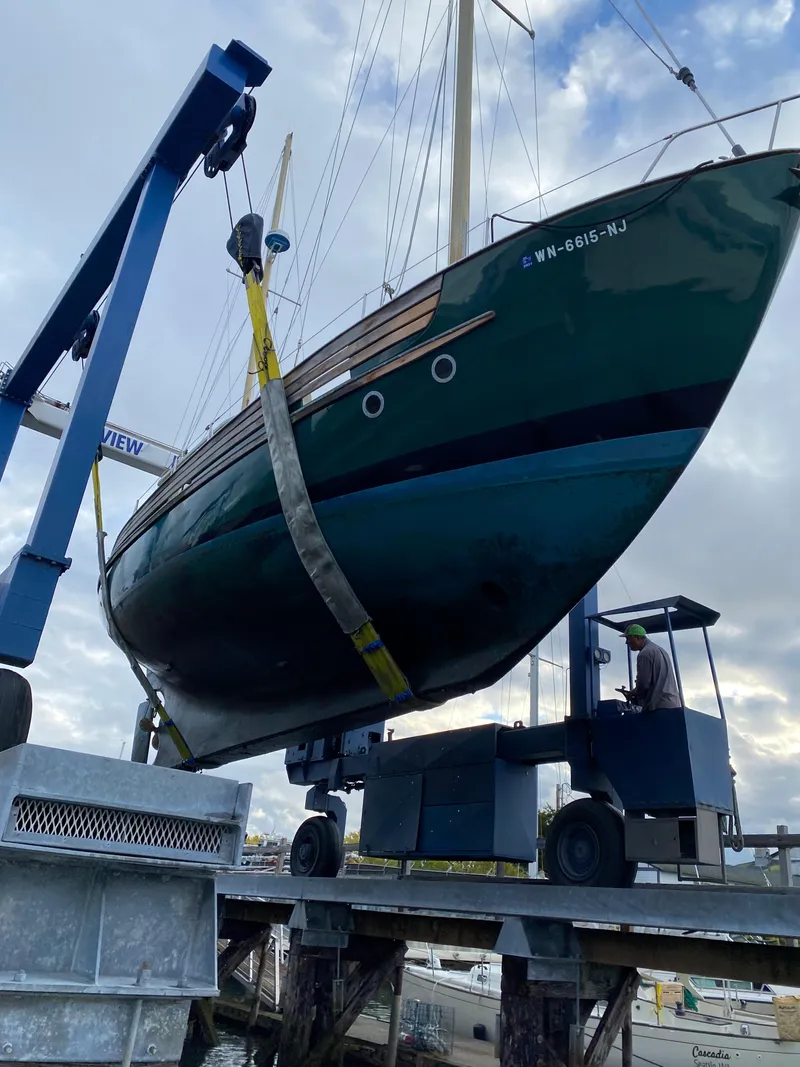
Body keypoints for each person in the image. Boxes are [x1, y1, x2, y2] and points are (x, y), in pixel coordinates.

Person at [617, 623, 682, 711]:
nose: (626, 642)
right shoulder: (661, 651)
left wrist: (632, 694)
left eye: (628, 638)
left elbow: (643, 685)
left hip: (658, 706)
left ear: (637, 637)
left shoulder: (644, 654)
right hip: (672, 704)